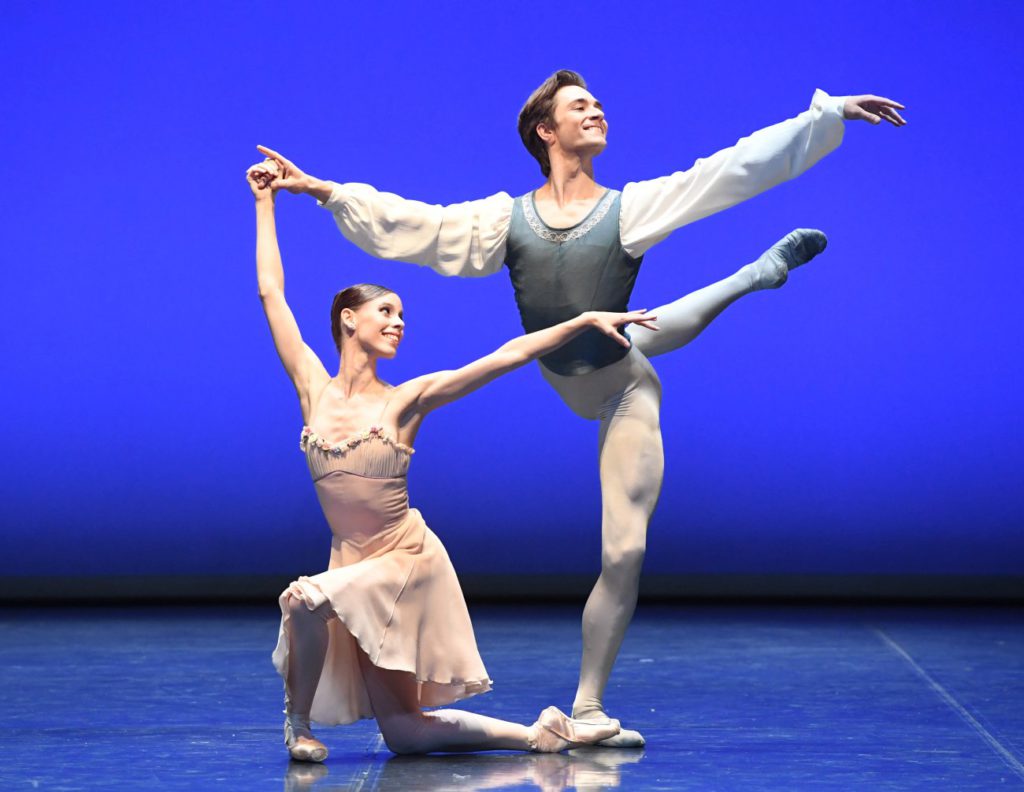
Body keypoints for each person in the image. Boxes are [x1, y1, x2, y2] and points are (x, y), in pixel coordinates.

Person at [255, 72, 901, 746]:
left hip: (622, 382)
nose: (595, 110)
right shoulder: (505, 221)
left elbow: (728, 172)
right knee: (625, 324)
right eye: (578, 105)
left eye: (597, 103)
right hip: (563, 366)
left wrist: (825, 118)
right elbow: (416, 224)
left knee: (625, 546)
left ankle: (588, 708)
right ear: (545, 130)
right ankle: (740, 281)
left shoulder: (632, 209)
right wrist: (321, 190)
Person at [245, 159, 655, 760]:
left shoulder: (406, 400)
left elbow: (502, 357)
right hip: (352, 563)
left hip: (405, 560)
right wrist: (266, 203)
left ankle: (298, 726)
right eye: (386, 312)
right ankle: (542, 737)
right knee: (406, 733)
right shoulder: (313, 386)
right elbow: (270, 292)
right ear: (347, 320)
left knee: (302, 599)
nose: (398, 324)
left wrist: (584, 320)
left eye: (403, 317)